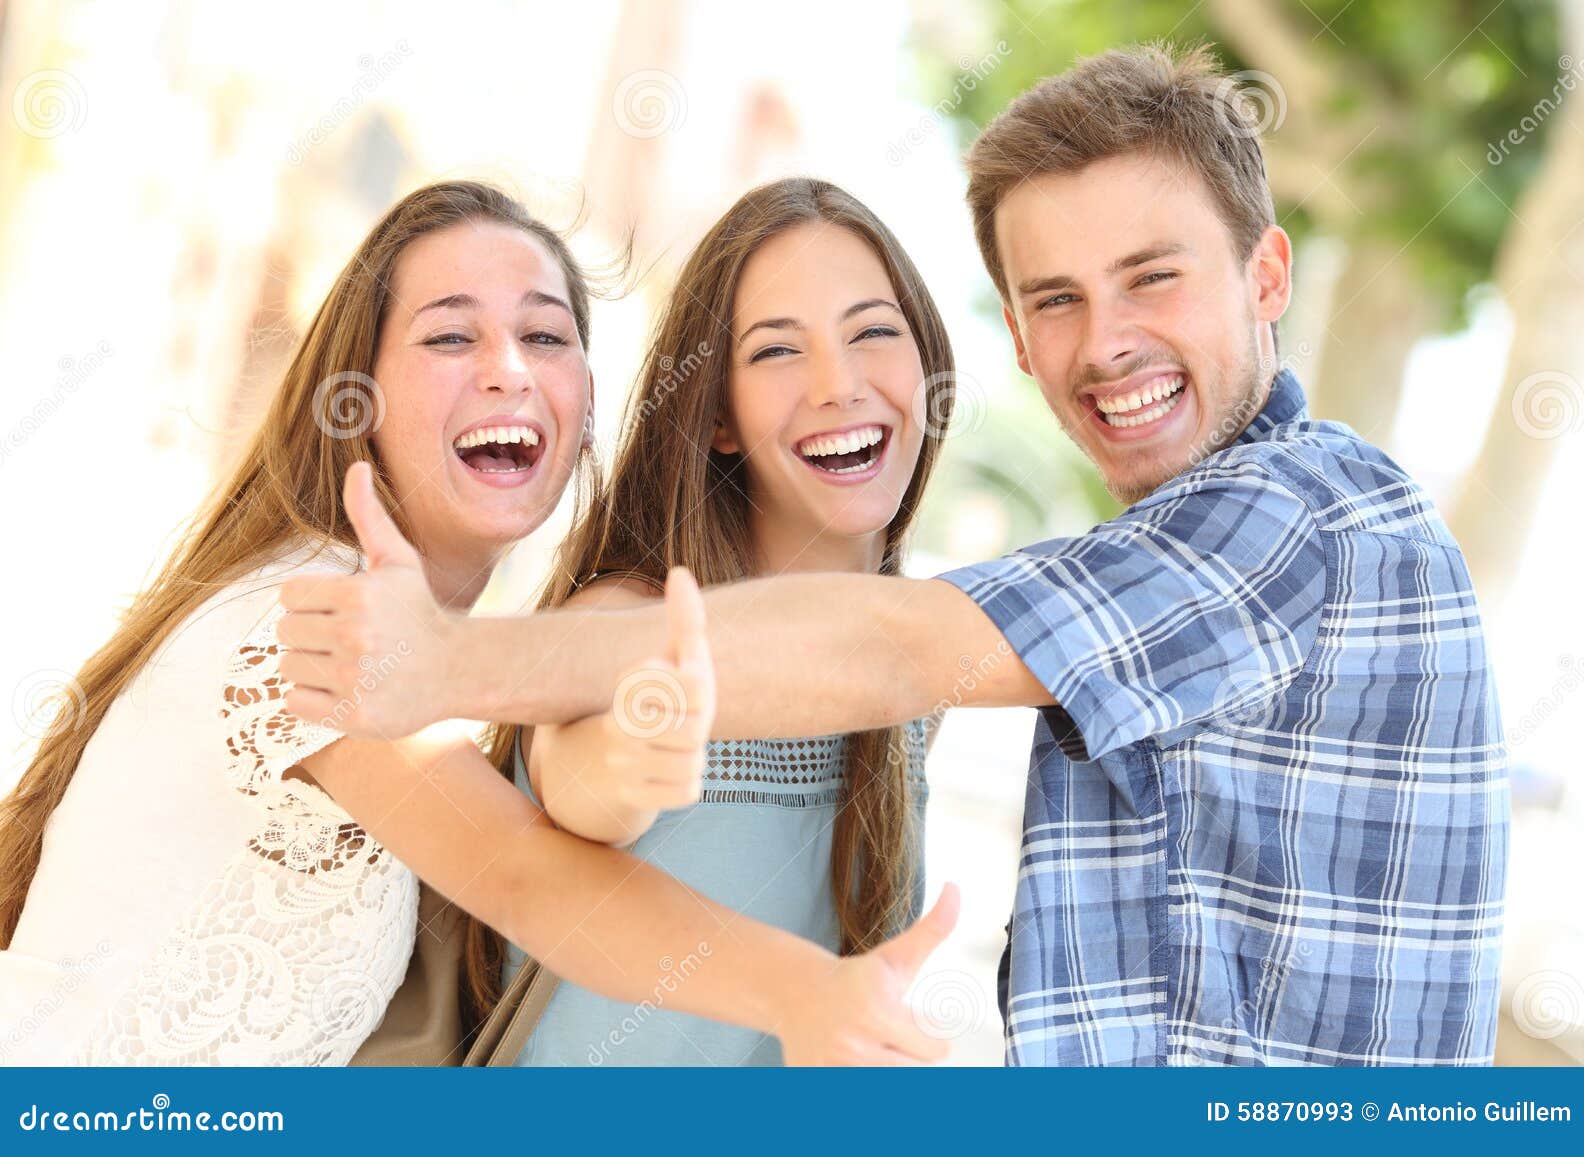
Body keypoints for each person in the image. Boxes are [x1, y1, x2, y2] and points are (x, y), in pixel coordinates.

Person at [286, 45, 1510, 1068]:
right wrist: (601, 719)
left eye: (1153, 277)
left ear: (1266, 274)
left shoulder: (1291, 515)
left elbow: (897, 645)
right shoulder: (654, 616)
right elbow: (586, 775)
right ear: (1019, 345)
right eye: (1056, 299)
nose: (1107, 342)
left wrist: (453, 661)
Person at [0, 180, 956, 1066]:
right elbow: (526, 875)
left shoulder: (454, 658)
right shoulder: (299, 617)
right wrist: (808, 992)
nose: (508, 369)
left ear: (586, 411)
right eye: (451, 338)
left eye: (545, 338)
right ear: (355, 394)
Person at [481, 177, 950, 1064]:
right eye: (777, 352)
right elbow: (582, 774)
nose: (839, 383)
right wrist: (632, 750)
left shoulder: (911, 681)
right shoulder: (630, 620)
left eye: (875, 332)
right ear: (721, 419)